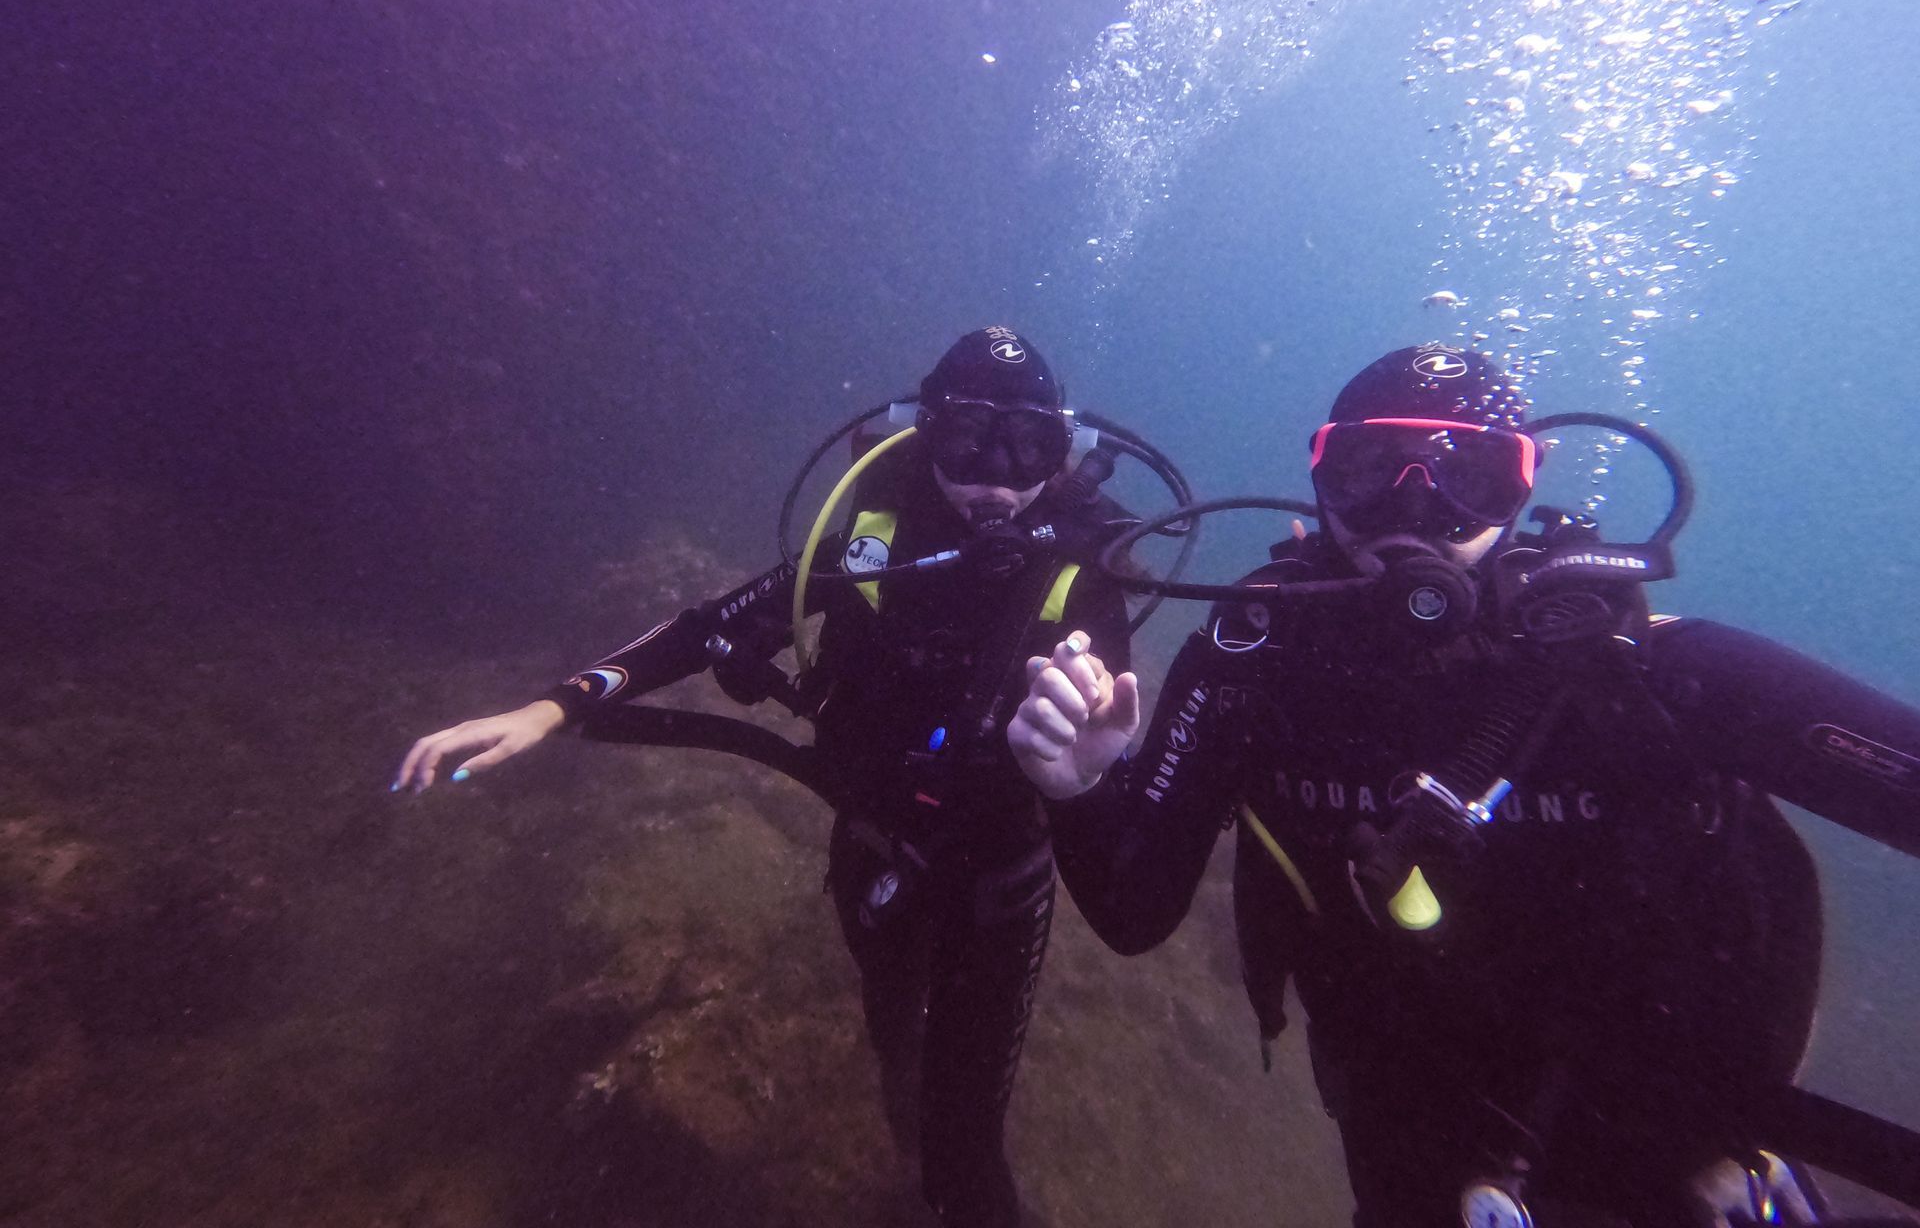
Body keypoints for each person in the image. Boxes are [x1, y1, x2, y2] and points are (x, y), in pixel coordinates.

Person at [1007, 345, 1920, 1227]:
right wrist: (1080, 787)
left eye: (1468, 476)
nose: (1416, 508)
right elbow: (1132, 912)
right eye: (1371, 469)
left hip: (1685, 1144)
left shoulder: (1644, 672)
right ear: (1322, 477)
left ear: (1523, 488)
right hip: (1409, 1146)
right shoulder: (1251, 661)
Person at [394, 326, 1138, 1228]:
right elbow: (707, 628)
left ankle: (944, 1177)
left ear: (1062, 452)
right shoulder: (874, 539)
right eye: (970, 438)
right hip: (871, 839)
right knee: (892, 1023)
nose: (998, 476)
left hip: (1001, 876)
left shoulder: (1083, 570)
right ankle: (909, 1142)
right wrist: (553, 706)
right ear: (924, 433)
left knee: (966, 1155)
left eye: (1029, 446)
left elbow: (1108, 746)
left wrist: (1086, 762)